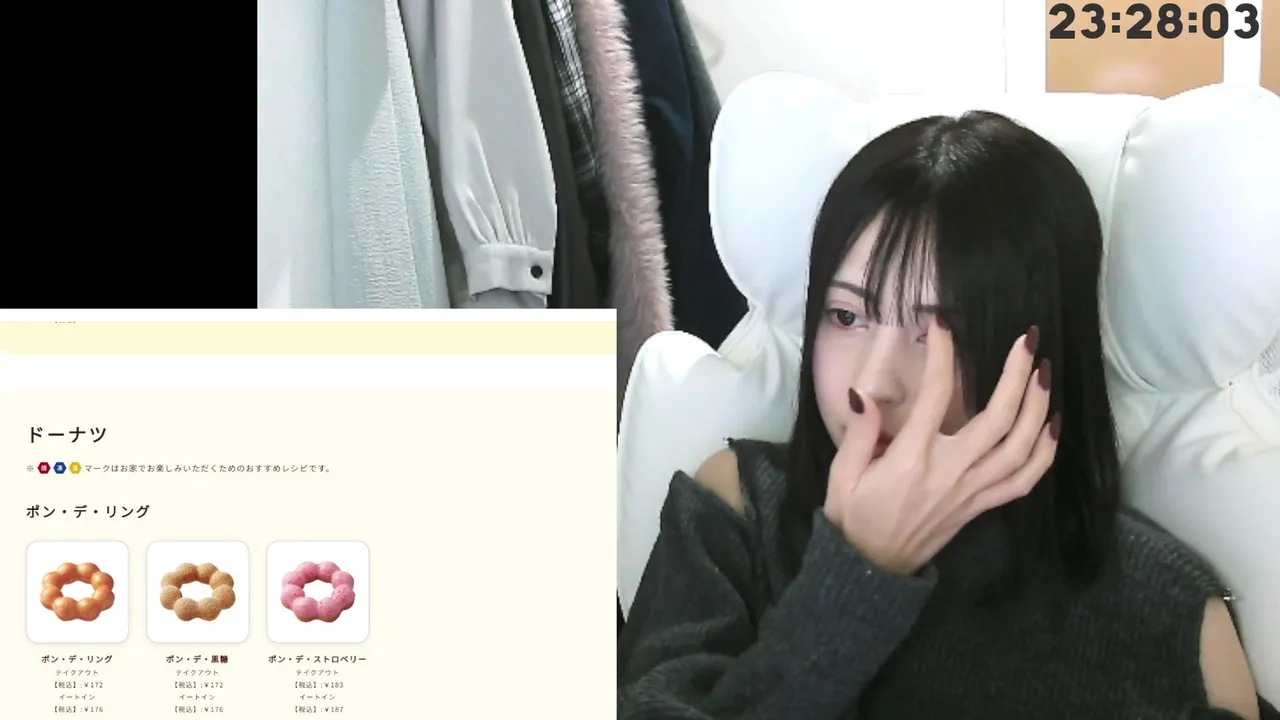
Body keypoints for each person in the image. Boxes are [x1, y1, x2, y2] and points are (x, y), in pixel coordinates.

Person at [617, 111, 1268, 719]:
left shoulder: (1170, 615)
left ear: (1036, 353)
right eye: (846, 316)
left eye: (941, 331)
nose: (873, 384)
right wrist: (858, 570)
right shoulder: (735, 511)